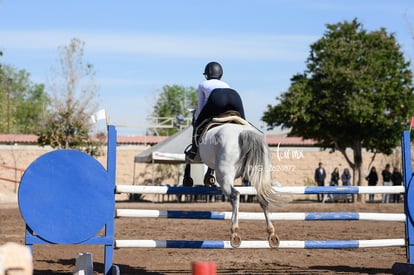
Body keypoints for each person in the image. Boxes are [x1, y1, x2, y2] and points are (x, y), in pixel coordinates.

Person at [185, 61, 246, 160]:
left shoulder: (203, 84)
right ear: (220, 74)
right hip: (234, 95)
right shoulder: (226, 84)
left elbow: (201, 106)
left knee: (197, 124)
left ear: (207, 75)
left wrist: (197, 119)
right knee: (244, 124)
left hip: (217, 97)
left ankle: (193, 151)